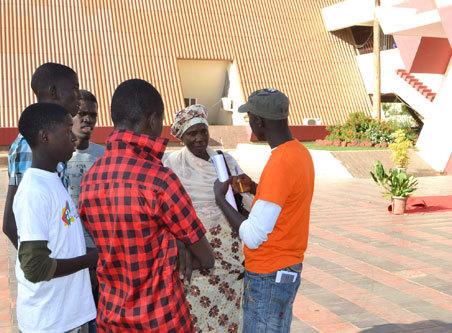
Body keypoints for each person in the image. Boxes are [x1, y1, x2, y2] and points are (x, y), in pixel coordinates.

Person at [78, 79, 215, 332]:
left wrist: (170, 244)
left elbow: (114, 242)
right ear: (152, 120)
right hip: (161, 319)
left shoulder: (90, 179)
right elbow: (206, 258)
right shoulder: (160, 180)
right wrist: (175, 246)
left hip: (110, 318)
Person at [213, 89, 315, 333]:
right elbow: (287, 200)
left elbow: (253, 235)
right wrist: (255, 188)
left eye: (249, 119)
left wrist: (222, 200)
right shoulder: (300, 153)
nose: (251, 125)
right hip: (288, 266)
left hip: (269, 272)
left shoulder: (279, 163)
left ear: (259, 121)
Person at [163, 104, 253, 332]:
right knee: (195, 317)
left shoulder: (225, 161)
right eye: (192, 133)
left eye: (203, 131)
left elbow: (247, 200)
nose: (200, 138)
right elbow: (167, 211)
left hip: (229, 254)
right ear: (182, 135)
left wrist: (241, 187)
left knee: (230, 316)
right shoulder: (171, 164)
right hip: (194, 252)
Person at [13, 102, 97, 333]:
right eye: (67, 130)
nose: (73, 137)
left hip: (71, 314)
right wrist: (89, 260)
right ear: (45, 137)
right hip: (50, 322)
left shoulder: (54, 179)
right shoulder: (34, 190)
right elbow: (35, 267)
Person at [3, 62, 81, 250]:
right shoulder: (32, 146)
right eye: (74, 89)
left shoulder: (54, 142)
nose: (78, 96)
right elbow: (12, 221)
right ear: (53, 92)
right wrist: (44, 270)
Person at [67, 89, 105, 333]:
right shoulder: (59, 155)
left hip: (100, 252)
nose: (87, 120)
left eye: (92, 115)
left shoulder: (104, 155)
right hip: (70, 254)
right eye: (81, 113)